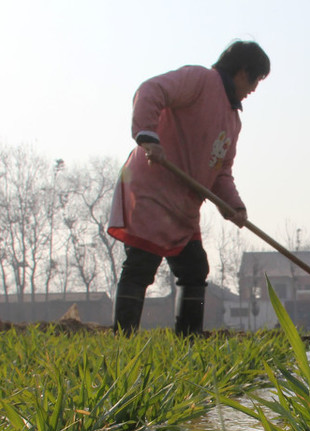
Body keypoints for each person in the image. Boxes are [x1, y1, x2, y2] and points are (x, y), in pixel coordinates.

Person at [108, 40, 270, 336]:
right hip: (151, 192)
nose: (254, 89)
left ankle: (189, 343)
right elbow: (150, 90)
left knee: (195, 268)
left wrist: (234, 206)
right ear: (242, 71)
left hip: (183, 207)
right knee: (141, 266)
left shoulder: (233, 121)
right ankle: (123, 342)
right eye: (256, 79)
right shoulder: (199, 80)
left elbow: (220, 172)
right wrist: (149, 137)